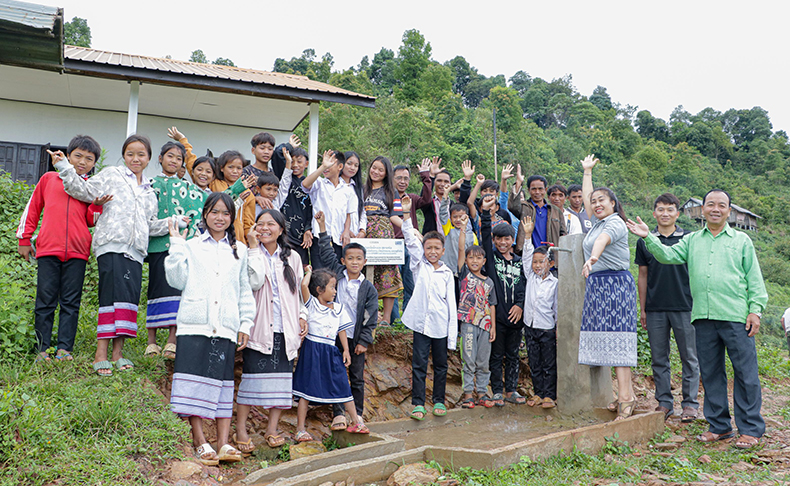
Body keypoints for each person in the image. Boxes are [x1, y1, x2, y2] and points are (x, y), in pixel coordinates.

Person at [627, 188, 768, 449]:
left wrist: (755, 310)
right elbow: (667, 256)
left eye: (721, 205)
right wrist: (649, 237)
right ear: (702, 209)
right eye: (710, 204)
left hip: (737, 316)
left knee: (745, 374)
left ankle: (750, 429)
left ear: (729, 210)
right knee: (712, 374)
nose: (716, 209)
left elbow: (754, 279)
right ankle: (720, 427)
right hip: (702, 316)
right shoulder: (692, 241)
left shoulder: (741, 241)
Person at [55, 134, 170, 376]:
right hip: (111, 245)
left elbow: (149, 225)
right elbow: (83, 190)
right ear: (123, 155)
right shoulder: (111, 175)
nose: (135, 159)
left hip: (136, 251)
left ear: (149, 158)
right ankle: (100, 353)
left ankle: (118, 354)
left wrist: (173, 223)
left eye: (141, 154)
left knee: (128, 301)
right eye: (130, 154)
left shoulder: (149, 191)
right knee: (110, 297)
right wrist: (64, 167)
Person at [164, 192, 254, 465]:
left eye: (226, 213)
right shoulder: (191, 246)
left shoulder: (239, 250)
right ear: (205, 215)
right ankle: (200, 439)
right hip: (195, 325)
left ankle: (224, 442)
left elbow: (244, 291)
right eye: (215, 212)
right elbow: (175, 280)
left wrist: (245, 323)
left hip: (225, 326)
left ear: (232, 217)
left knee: (223, 383)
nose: (220, 218)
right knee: (193, 383)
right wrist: (176, 245)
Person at [17, 135, 107, 363]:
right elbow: (33, 209)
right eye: (78, 156)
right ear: (68, 156)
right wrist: (24, 239)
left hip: (77, 252)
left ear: (94, 163)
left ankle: (64, 349)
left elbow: (90, 220)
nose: (82, 162)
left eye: (89, 159)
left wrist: (96, 205)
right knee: (45, 301)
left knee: (70, 302)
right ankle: (42, 349)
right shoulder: (49, 179)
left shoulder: (89, 187)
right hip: (48, 250)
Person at [236, 209, 307, 451]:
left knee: (281, 383)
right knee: (251, 380)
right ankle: (242, 429)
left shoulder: (293, 258)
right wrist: (254, 247)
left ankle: (272, 428)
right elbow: (254, 283)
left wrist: (302, 315)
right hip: (257, 327)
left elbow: (297, 294)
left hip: (285, 329)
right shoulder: (247, 254)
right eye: (260, 224)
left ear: (281, 229)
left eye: (271, 224)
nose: (265, 228)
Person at [577, 154, 638, 421]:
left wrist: (593, 257)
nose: (596, 204)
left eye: (603, 200)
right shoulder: (597, 221)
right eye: (594, 201)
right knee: (607, 342)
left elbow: (603, 239)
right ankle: (625, 394)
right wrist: (587, 172)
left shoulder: (613, 223)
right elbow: (589, 201)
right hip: (598, 286)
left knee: (619, 342)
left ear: (613, 204)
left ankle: (627, 399)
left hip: (614, 285)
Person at [634, 193, 699, 422]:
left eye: (670, 210)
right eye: (660, 210)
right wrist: (642, 309)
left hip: (685, 306)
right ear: (654, 213)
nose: (665, 214)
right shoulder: (644, 239)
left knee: (689, 357)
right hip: (655, 308)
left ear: (677, 214)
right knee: (659, 358)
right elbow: (642, 276)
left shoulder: (689, 239)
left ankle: (690, 405)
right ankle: (664, 402)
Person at [315, 212, 378, 431]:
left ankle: (357, 414)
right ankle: (338, 414)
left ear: (365, 262)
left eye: (358, 259)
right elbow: (325, 250)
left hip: (356, 338)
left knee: (357, 377)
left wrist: (364, 341)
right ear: (343, 261)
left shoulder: (368, 288)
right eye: (349, 258)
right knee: (337, 374)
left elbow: (371, 317)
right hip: (335, 336)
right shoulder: (337, 276)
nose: (354, 262)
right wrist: (322, 226)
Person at [292, 266, 370, 441]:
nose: (335, 291)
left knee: (342, 384)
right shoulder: (311, 303)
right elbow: (304, 285)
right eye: (332, 287)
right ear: (320, 290)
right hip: (312, 350)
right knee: (306, 389)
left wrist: (346, 351)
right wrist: (309, 272)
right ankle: (300, 429)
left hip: (331, 350)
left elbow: (341, 331)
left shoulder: (339, 309)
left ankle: (356, 421)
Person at [145, 141, 205, 360]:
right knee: (155, 289)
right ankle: (151, 342)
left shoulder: (188, 189)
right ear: (160, 158)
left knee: (177, 289)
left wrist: (237, 189)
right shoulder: (149, 185)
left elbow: (210, 202)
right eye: (170, 156)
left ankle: (172, 340)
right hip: (157, 245)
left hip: (180, 245)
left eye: (178, 158)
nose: (174, 161)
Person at [400, 195, 457, 420]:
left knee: (441, 365)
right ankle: (418, 403)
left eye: (436, 248)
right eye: (428, 247)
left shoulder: (447, 273)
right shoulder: (418, 265)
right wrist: (406, 214)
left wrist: (452, 337)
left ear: (443, 251)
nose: (432, 251)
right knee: (419, 364)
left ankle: (439, 401)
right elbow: (409, 239)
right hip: (420, 324)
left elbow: (451, 306)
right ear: (423, 248)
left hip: (441, 325)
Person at [480, 196, 526, 406]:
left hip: (516, 317)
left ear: (512, 239)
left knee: (513, 355)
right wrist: (486, 214)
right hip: (496, 317)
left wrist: (520, 305)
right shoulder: (490, 258)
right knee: (496, 355)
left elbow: (525, 286)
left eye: (506, 239)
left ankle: (511, 390)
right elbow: (485, 235)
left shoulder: (520, 262)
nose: (502, 242)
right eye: (498, 239)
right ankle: (497, 389)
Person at [456, 214, 497, 409]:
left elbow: (492, 305)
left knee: (483, 361)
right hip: (469, 325)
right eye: (471, 258)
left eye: (478, 258)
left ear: (484, 261)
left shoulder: (489, 282)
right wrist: (464, 229)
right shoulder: (464, 274)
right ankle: (467, 394)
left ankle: (482, 392)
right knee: (469, 359)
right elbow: (461, 249)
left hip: (485, 326)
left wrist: (493, 327)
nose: (473, 260)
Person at [519, 216, 559, 409]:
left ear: (550, 264)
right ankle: (538, 393)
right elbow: (526, 256)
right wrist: (528, 235)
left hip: (547, 329)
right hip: (530, 327)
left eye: (541, 262)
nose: (536, 265)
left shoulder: (555, 284)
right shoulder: (531, 278)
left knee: (548, 364)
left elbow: (557, 307)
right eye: (535, 262)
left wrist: (557, 327)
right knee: (534, 362)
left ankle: (550, 395)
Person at [363, 156, 403, 325]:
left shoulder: (392, 191)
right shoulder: (360, 188)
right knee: (362, 273)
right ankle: (365, 316)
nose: (376, 172)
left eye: (381, 170)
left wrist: (410, 230)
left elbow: (395, 216)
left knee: (388, 273)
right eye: (374, 168)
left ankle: (386, 318)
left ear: (386, 173)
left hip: (384, 235)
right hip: (363, 233)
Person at [393, 159, 434, 316]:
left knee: (411, 284)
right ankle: (394, 319)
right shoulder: (388, 197)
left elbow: (427, 200)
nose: (402, 182)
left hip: (411, 247)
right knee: (394, 285)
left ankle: (408, 318)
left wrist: (426, 176)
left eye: (406, 178)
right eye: (399, 178)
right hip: (392, 245)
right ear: (392, 179)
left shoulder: (411, 198)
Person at [301, 150, 354, 262]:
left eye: (331, 164)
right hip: (319, 238)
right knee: (320, 275)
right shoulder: (319, 183)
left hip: (338, 239)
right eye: (325, 163)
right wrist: (322, 166)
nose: (327, 166)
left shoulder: (348, 190)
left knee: (336, 274)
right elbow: (305, 184)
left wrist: (346, 231)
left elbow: (348, 214)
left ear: (340, 166)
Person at [269, 137, 314, 267]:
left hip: (301, 238)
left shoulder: (311, 184)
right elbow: (277, 154)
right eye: (292, 161)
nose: (295, 165)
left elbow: (312, 209)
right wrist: (289, 146)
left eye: (299, 162)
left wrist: (308, 229)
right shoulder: (285, 177)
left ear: (306, 164)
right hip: (284, 234)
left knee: (301, 268)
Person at [508, 174, 567, 252]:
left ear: (545, 190)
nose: (537, 192)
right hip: (528, 253)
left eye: (540, 189)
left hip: (551, 255)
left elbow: (563, 235)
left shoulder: (555, 210)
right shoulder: (524, 207)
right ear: (529, 190)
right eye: (534, 189)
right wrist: (518, 183)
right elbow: (512, 206)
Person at [342, 151, 366, 241]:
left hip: (355, 237)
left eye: (356, 165)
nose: (353, 168)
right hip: (340, 235)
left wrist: (362, 230)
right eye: (349, 164)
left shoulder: (357, 188)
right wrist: (347, 230)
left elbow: (362, 210)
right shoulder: (335, 185)